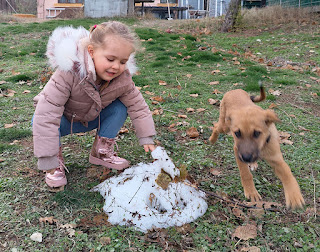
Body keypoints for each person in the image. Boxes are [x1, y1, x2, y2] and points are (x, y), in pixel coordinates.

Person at [32, 21, 156, 190]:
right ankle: (55, 162)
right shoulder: (68, 73)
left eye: (122, 61)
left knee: (121, 107)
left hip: (91, 118)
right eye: (110, 59)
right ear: (91, 51)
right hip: (65, 122)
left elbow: (138, 106)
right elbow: (47, 112)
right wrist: (47, 157)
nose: (116, 66)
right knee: (39, 117)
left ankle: (101, 151)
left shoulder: (123, 79)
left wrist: (146, 136)